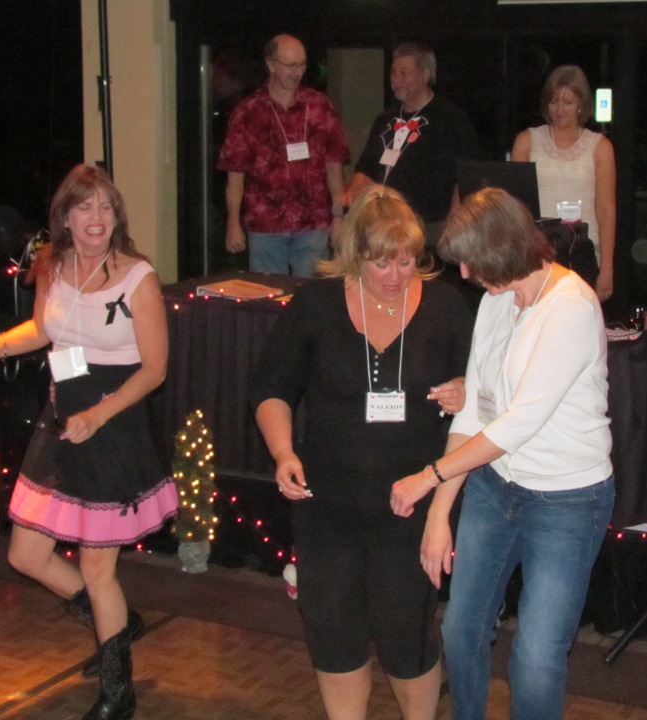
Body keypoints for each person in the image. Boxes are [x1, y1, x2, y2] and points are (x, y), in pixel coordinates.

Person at [389, 188, 615, 720]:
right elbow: (476, 408)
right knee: (460, 630)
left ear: (503, 248)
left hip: (567, 500)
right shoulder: (496, 301)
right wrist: (439, 514)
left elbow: (518, 422)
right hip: (494, 488)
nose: (465, 274)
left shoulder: (571, 307)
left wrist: (428, 476)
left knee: (536, 658)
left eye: (471, 260)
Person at [0, 164, 179, 720]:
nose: (96, 218)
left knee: (97, 568)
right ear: (65, 216)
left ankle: (118, 692)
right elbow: (42, 330)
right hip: (63, 421)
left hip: (113, 425)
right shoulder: (54, 266)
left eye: (106, 207)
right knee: (25, 554)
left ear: (117, 217)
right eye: (85, 207)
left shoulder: (137, 277)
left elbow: (155, 369)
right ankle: (117, 626)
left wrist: (99, 416)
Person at [251, 184, 473, 720]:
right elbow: (272, 388)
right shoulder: (316, 305)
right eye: (381, 263)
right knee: (333, 633)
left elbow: (486, 394)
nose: (396, 275)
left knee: (405, 636)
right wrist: (283, 452)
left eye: (406, 260)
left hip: (411, 505)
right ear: (355, 255)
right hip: (326, 505)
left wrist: (465, 391)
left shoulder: (446, 306)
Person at [217, 34, 351, 276]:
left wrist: (339, 215)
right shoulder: (248, 111)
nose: (298, 72)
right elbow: (235, 175)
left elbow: (334, 165)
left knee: (312, 293)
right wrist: (233, 223)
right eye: (291, 65)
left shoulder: (320, 106)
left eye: (302, 65)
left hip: (313, 222)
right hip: (265, 223)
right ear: (271, 65)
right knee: (270, 293)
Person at [345, 42, 481, 246]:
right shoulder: (385, 119)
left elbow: (464, 177)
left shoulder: (451, 119)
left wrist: (455, 223)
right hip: (384, 226)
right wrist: (350, 205)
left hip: (430, 229)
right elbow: (366, 169)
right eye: (393, 73)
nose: (396, 79)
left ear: (425, 75)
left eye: (404, 73)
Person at [510, 64, 616, 302]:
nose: (559, 109)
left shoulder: (600, 147)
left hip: (582, 251)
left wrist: (607, 267)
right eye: (554, 101)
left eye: (568, 102)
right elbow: (514, 207)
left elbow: (606, 210)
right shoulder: (527, 141)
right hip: (536, 254)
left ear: (581, 104)